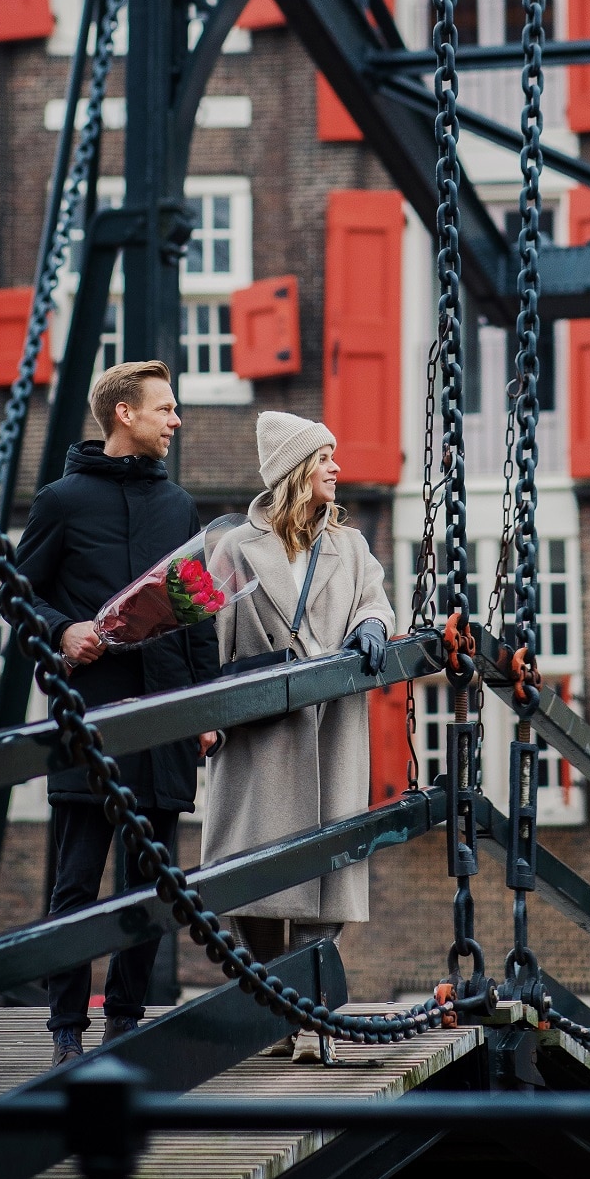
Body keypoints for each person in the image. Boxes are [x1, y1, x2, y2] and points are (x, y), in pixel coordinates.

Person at [19, 358, 219, 1067]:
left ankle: (126, 1025)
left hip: (165, 720)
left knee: (152, 882)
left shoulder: (178, 507)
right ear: (124, 414)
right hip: (93, 717)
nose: (176, 420)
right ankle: (66, 1032)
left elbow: (196, 617)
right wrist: (60, 629)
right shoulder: (60, 503)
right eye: (164, 408)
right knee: (76, 881)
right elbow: (16, 598)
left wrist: (207, 707)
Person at [201, 411, 393, 1055]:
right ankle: (278, 1015)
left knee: (327, 880)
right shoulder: (230, 550)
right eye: (324, 460)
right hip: (261, 737)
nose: (336, 470)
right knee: (254, 883)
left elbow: (375, 598)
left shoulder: (352, 545)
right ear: (295, 471)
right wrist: (210, 724)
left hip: (330, 728)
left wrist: (372, 624)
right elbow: (210, 647)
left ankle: (308, 1020)